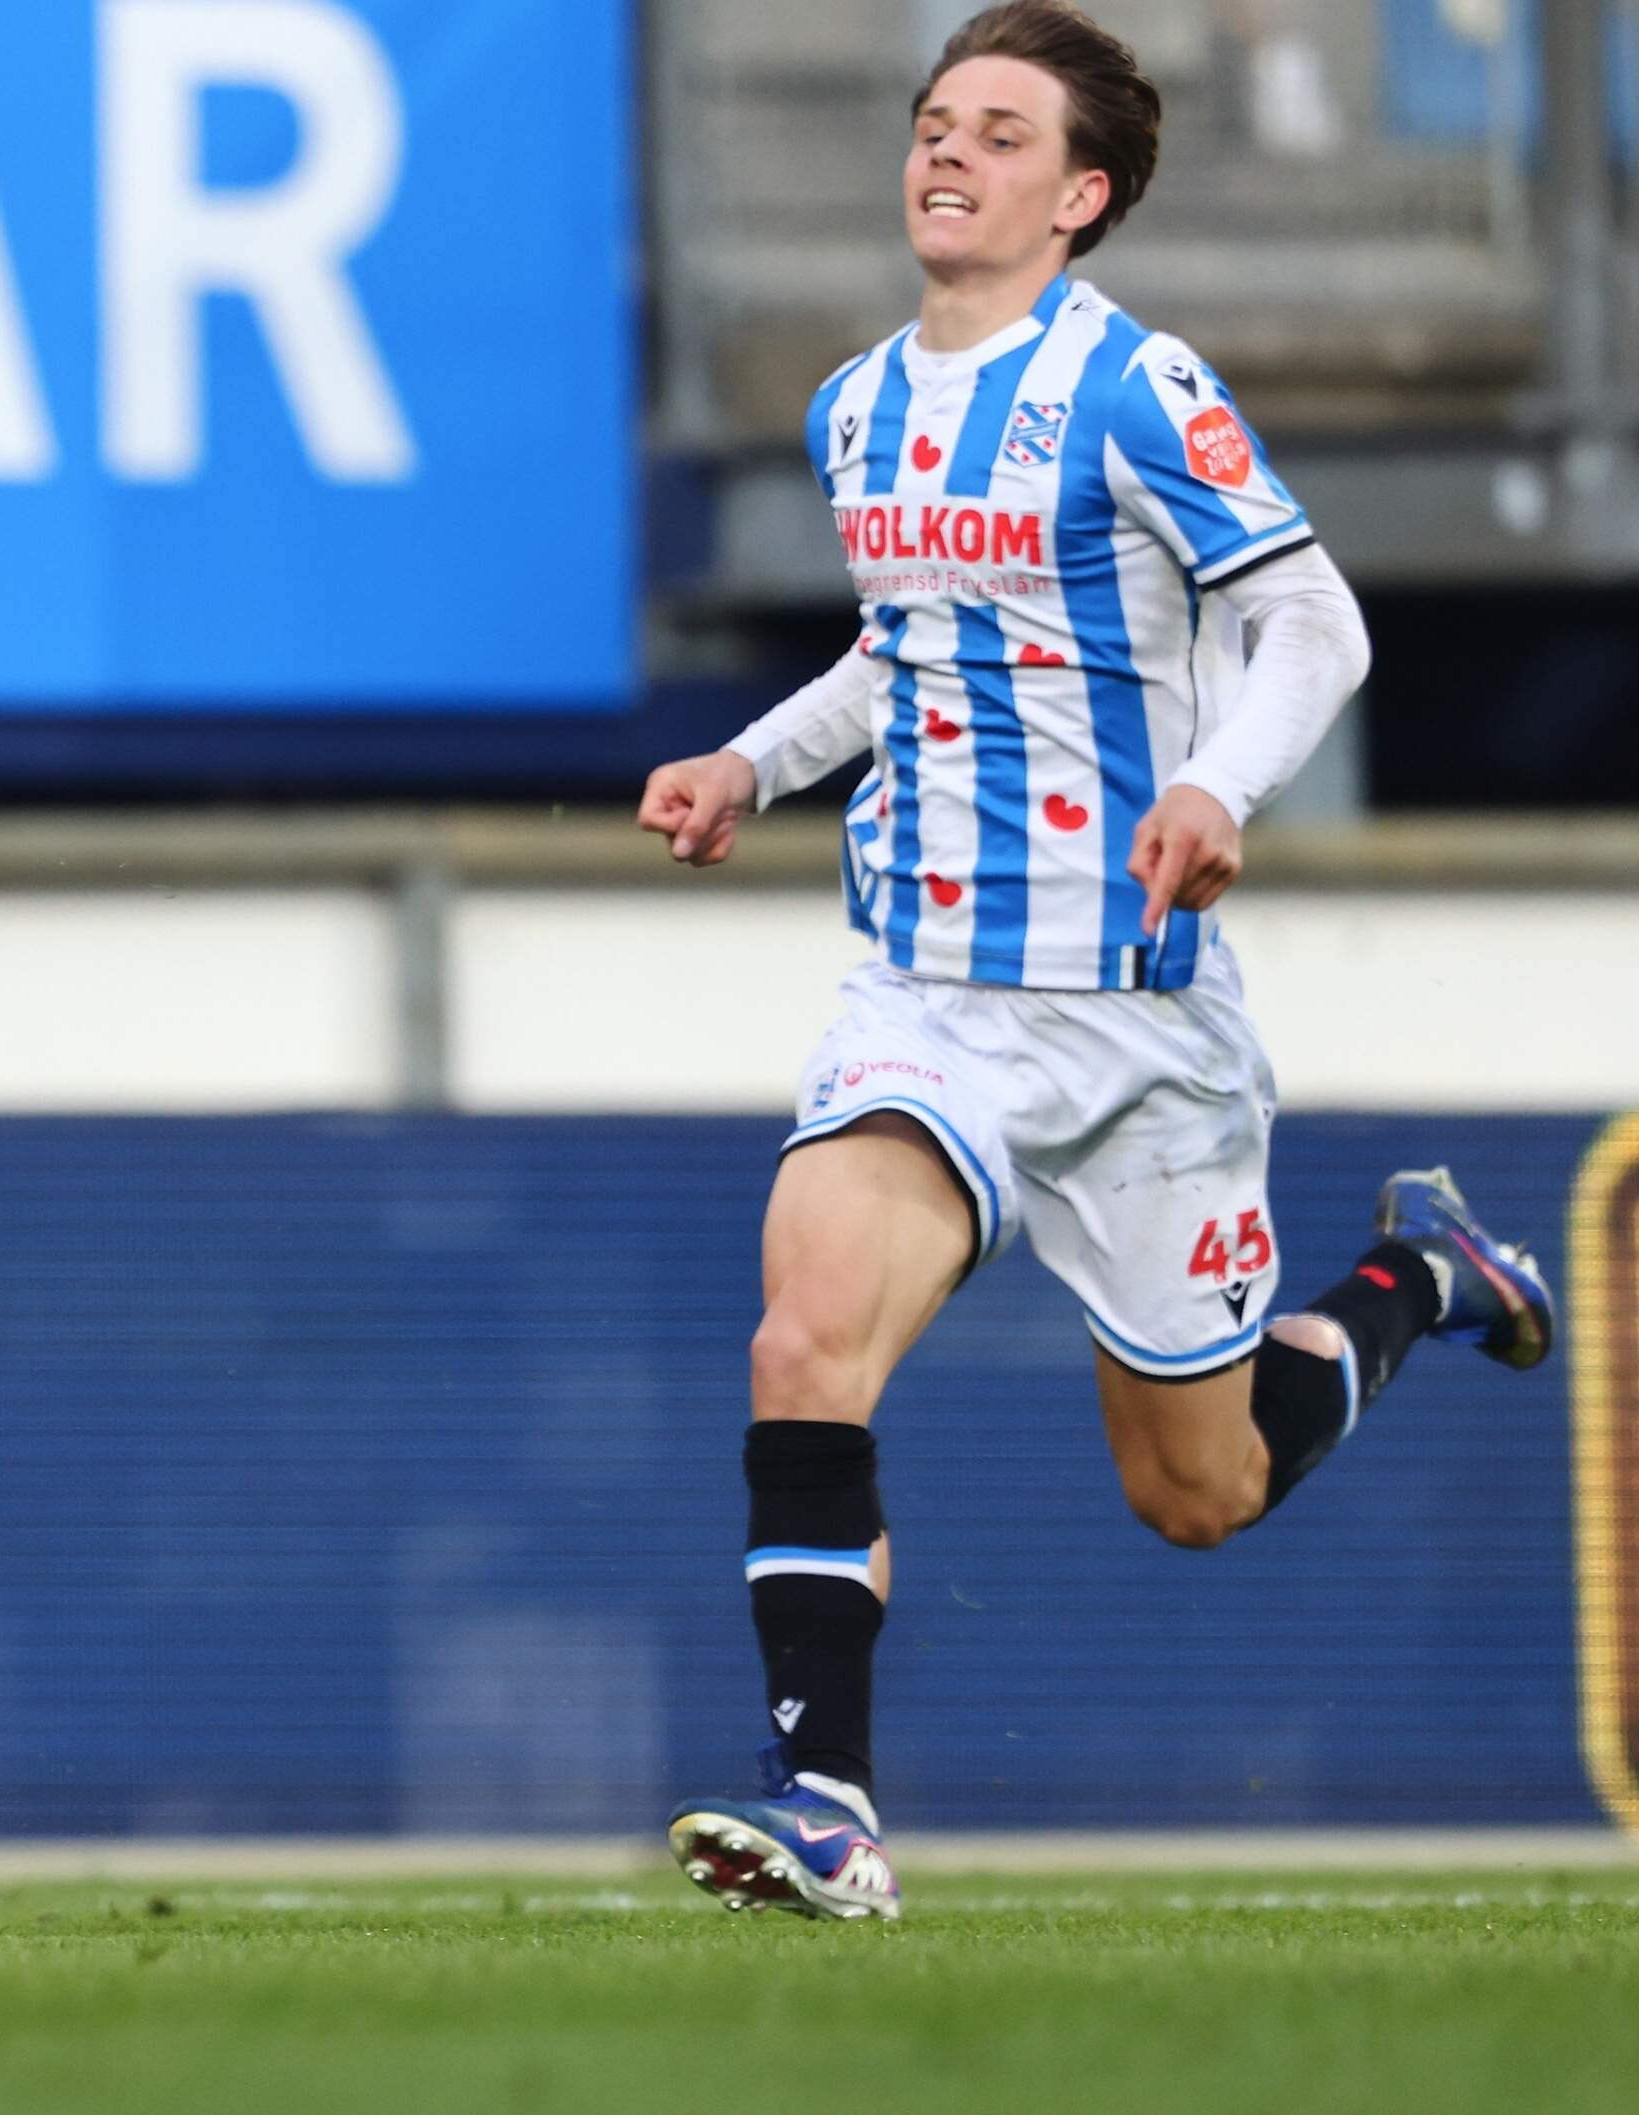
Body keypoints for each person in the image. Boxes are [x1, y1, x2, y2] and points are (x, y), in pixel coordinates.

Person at [636, 2, 1550, 1921]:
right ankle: (828, 1813)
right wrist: (750, 760)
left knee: (1195, 1493)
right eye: (930, 120)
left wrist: (1218, 784)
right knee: (802, 1334)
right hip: (927, 997)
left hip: (1137, 1022)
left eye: (994, 130)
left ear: (1081, 193)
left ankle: (1415, 1276)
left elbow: (1310, 626)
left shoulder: (1137, 389)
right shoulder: (854, 404)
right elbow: (906, 650)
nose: (944, 151)